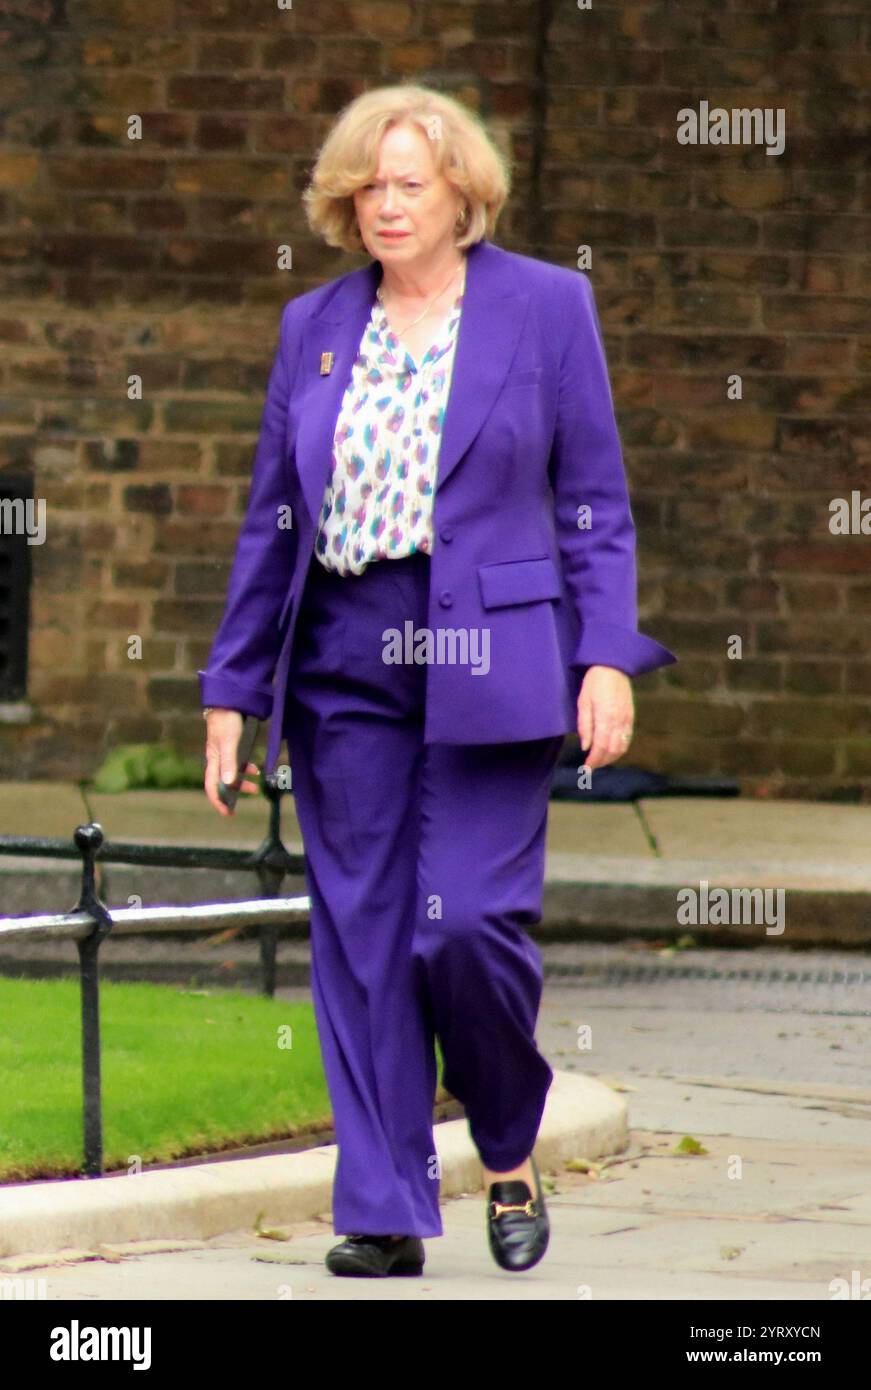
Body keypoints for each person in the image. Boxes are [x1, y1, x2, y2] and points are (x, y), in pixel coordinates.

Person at [199, 83, 676, 1278]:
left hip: (494, 655)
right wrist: (231, 687)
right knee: (363, 938)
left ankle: (505, 1138)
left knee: (462, 925)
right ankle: (382, 1203)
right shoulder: (313, 322)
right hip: (345, 655)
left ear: (464, 193)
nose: (386, 204)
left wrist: (606, 654)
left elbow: (594, 501)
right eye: (367, 183)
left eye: (410, 182)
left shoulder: (545, 308)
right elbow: (274, 522)